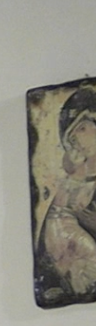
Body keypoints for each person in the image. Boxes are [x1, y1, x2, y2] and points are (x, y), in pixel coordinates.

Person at [36, 86, 96, 304]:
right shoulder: (77, 177)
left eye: (82, 129)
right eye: (74, 135)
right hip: (66, 241)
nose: (77, 140)